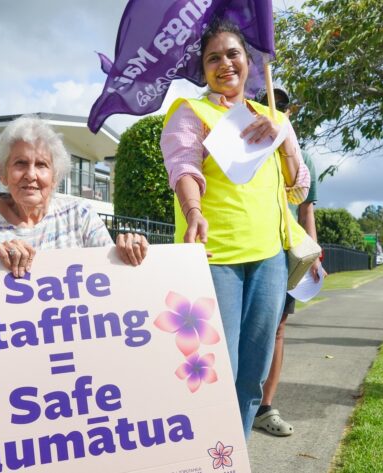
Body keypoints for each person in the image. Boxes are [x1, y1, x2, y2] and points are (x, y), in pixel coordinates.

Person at [160, 18, 310, 437]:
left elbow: (298, 190)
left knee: (252, 373)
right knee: (212, 369)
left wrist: (282, 142)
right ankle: (202, 454)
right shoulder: (191, 112)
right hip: (215, 258)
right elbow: (183, 165)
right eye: (213, 58)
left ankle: (234, 454)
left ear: (249, 61)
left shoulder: (273, 117)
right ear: (203, 69)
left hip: (269, 260)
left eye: (232, 54)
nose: (224, 64)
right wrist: (193, 211)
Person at [0, 115, 148, 270]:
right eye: (20, 163)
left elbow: (110, 269)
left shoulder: (79, 214)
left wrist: (128, 250)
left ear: (55, 177)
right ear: (3, 173)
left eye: (41, 165)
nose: (31, 174)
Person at [253, 87, 325, 437]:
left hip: (284, 251)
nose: (273, 109)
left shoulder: (301, 157)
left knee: (277, 330)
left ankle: (265, 407)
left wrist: (313, 251)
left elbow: (305, 207)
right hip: (244, 249)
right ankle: (234, 406)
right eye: (266, 102)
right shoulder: (237, 145)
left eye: (280, 105)